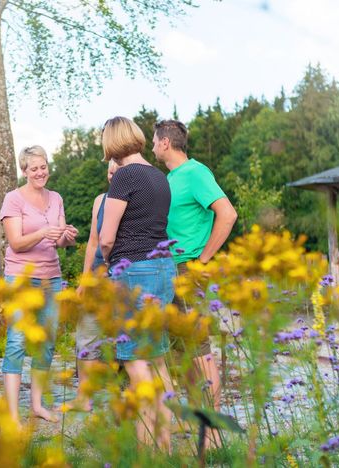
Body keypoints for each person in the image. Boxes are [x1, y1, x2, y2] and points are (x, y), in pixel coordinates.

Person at [152, 119, 238, 445]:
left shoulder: (196, 173)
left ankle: (214, 430)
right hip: (168, 270)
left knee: (200, 351)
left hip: (189, 270)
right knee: (183, 352)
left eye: (154, 140)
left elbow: (227, 214)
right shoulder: (170, 178)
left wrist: (202, 260)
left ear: (165, 143)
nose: (152, 145)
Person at [98, 116, 175, 450]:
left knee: (134, 359)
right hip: (163, 268)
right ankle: (165, 445)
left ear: (112, 143)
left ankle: (145, 452)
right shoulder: (159, 176)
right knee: (156, 357)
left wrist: (105, 266)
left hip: (134, 271)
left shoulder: (124, 176)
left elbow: (105, 238)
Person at [0, 145, 79, 423]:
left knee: (46, 343)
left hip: (51, 277)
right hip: (21, 277)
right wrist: (45, 231)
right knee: (18, 341)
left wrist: (67, 236)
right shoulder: (13, 199)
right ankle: (12, 415)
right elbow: (17, 243)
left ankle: (37, 406)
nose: (40, 172)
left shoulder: (56, 197)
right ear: (24, 171)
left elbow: (58, 241)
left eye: (43, 167)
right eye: (34, 168)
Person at [73, 160, 119, 411]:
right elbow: (92, 242)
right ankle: (84, 397)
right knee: (87, 333)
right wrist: (85, 278)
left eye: (117, 170)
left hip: (123, 276)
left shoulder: (133, 199)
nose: (112, 174)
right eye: (109, 170)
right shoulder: (100, 200)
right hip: (97, 276)